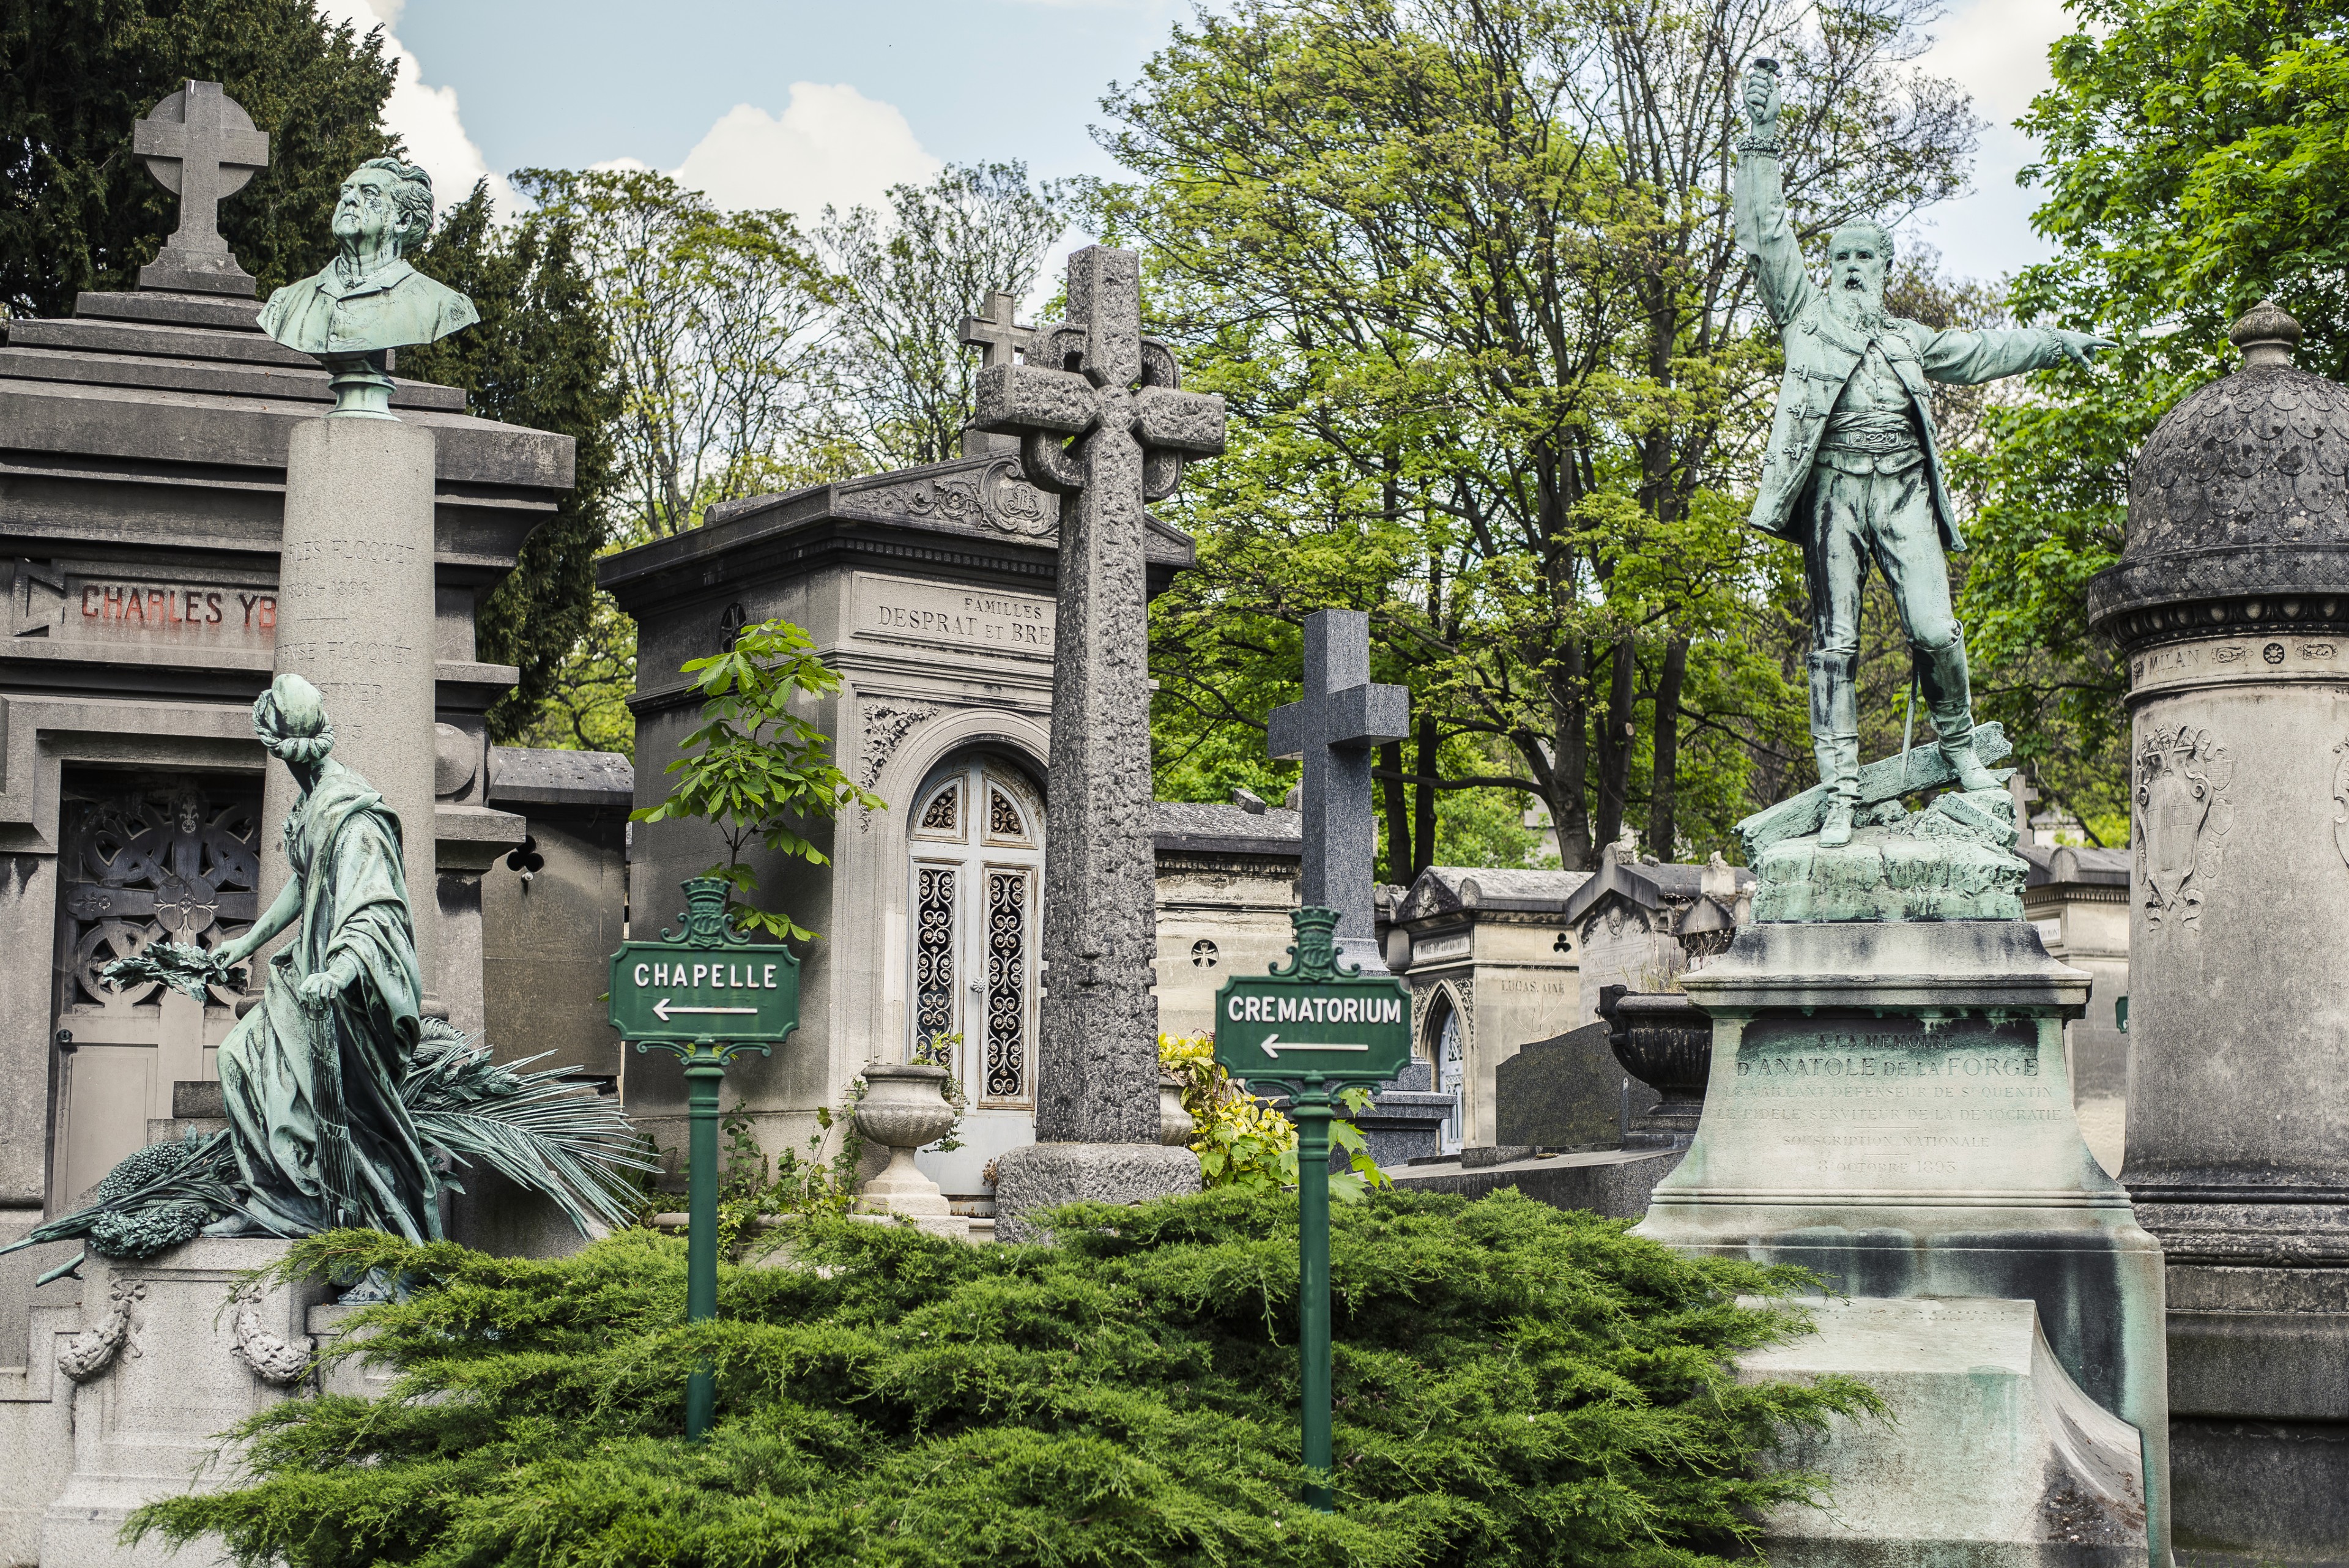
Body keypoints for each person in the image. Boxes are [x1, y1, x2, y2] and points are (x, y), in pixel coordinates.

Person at [1735, 59, 2113, 845]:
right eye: (1840, 257)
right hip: (1835, 491)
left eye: (1864, 258)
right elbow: (1767, 235)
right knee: (1835, 646)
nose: (1850, 268)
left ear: (1885, 268)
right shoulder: (1804, 316)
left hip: (1904, 489)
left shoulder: (1911, 339)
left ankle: (1960, 746)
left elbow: (1983, 351)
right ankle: (1841, 790)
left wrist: (2056, 341)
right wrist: (1762, 140)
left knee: (1937, 632)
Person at [205, 674, 440, 1240]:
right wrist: (248, 942)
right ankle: (274, 1198)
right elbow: (303, 882)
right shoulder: (312, 803)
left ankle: (364, 1229)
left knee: (344, 1117)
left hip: (347, 991)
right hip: (309, 975)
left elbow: (377, 911)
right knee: (236, 1057)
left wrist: (338, 972)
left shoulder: (353, 814)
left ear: (276, 745)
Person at [258, 157, 477, 360]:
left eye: (369, 193)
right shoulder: (285, 302)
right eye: (346, 191)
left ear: (403, 221)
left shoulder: (442, 305)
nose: (349, 199)